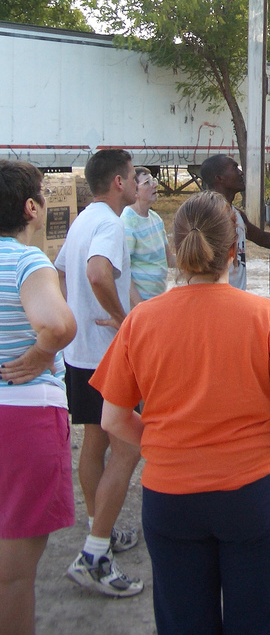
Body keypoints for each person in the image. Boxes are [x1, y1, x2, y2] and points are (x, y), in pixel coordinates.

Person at [90, 190, 270, 635]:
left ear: (176, 250)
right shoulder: (266, 316)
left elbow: (113, 418)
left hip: (171, 496)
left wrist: (163, 447)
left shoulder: (141, 320)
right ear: (235, 253)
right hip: (255, 493)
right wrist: (268, 447)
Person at [56, 148, 144, 597]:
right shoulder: (110, 222)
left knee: (94, 443)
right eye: (133, 177)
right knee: (129, 449)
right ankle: (94, 555)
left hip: (80, 354)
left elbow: (61, 273)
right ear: (118, 182)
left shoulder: (83, 219)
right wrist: (123, 318)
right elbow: (95, 273)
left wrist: (73, 320)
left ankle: (101, 530)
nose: (136, 182)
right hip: (106, 357)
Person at [0, 161, 78, 635]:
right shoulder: (27, 261)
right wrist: (40, 352)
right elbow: (59, 323)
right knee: (12, 575)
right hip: (23, 418)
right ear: (31, 209)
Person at [199, 154, 270, 289]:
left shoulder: (236, 214)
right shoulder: (208, 215)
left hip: (234, 297)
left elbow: (261, 238)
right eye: (234, 168)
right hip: (216, 297)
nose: (241, 173)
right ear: (219, 178)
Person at [122, 167, 175, 301]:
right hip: (139, 305)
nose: (154, 185)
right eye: (147, 183)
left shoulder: (155, 218)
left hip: (157, 301)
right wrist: (139, 305)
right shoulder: (127, 222)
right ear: (135, 191)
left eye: (153, 180)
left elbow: (169, 259)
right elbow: (123, 272)